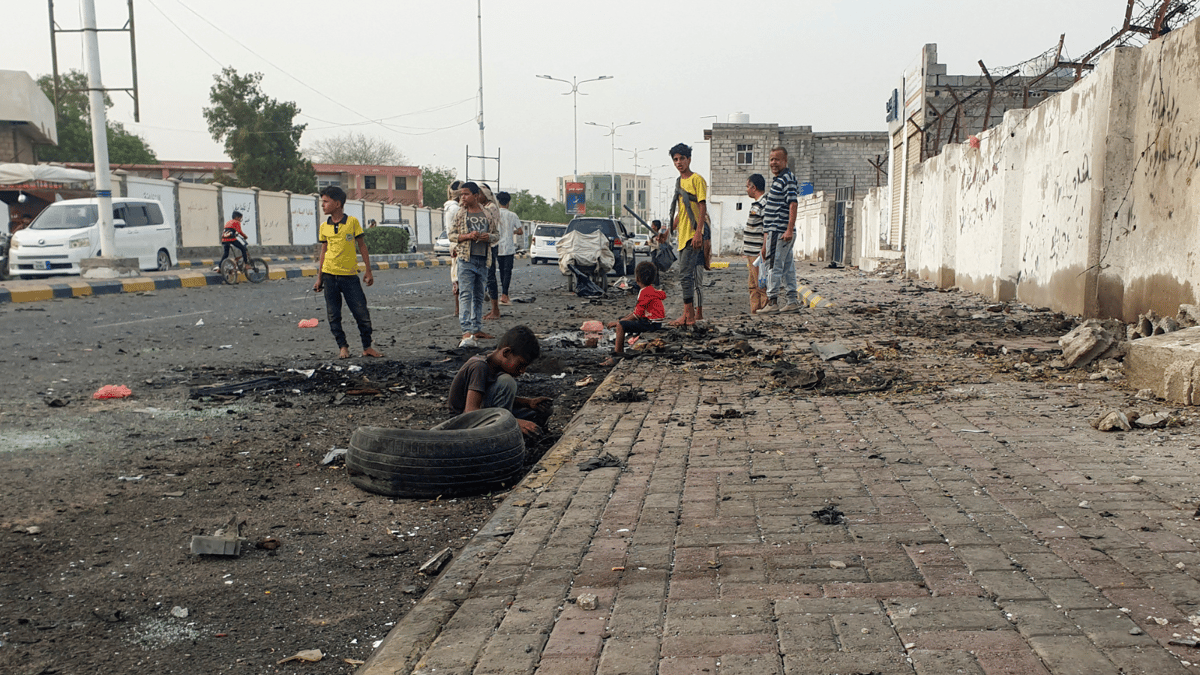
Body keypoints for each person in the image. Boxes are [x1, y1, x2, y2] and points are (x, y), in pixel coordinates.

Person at [313, 186, 384, 359]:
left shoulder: (352, 222)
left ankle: (367, 346)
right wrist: (319, 277)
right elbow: (324, 251)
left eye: (326, 201)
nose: (322, 205)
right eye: (322, 202)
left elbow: (362, 246)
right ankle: (342, 346)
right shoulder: (324, 227)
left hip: (350, 277)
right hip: (330, 276)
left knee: (361, 312)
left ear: (337, 203)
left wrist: (368, 270)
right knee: (333, 314)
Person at [447, 324, 552, 436]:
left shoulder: (494, 364)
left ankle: (509, 429)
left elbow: (489, 398)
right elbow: (470, 412)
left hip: (486, 415)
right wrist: (513, 423)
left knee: (539, 412)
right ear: (506, 352)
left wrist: (528, 403)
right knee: (507, 381)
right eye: (521, 364)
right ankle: (502, 434)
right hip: (464, 424)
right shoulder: (479, 366)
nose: (522, 371)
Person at [449, 182, 499, 347]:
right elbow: (452, 235)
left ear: (476, 196)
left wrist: (488, 237)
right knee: (466, 294)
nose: (463, 197)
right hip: (466, 259)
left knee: (478, 295)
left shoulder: (487, 214)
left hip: (483, 259)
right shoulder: (460, 214)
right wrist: (468, 236)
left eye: (466, 194)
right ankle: (466, 330)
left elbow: (496, 235)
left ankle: (477, 328)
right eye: (462, 194)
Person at [665, 143, 707, 327]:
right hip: (682, 235)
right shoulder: (679, 182)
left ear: (689, 159)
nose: (679, 162)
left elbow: (702, 207)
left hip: (693, 234)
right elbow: (681, 211)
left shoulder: (697, 179)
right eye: (675, 159)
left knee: (685, 275)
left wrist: (699, 232)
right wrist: (668, 230)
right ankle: (687, 314)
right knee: (685, 275)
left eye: (682, 158)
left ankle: (689, 316)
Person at [757, 147, 801, 314]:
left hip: (780, 231)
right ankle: (792, 300)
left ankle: (772, 301)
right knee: (787, 266)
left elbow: (793, 203)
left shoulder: (787, 179)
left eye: (777, 159)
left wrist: (789, 229)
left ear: (785, 161)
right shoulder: (779, 180)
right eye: (771, 160)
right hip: (779, 231)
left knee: (773, 265)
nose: (773, 163)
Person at [602, 261, 666, 366]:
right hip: (654, 322)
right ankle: (617, 353)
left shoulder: (644, 292)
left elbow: (636, 315)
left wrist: (618, 322)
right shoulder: (651, 290)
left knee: (620, 326)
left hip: (650, 324)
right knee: (622, 320)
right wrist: (622, 319)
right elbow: (637, 312)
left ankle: (616, 356)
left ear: (637, 279)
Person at [489, 191, 522, 306]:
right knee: (506, 272)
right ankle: (504, 294)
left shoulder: (494, 214)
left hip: (496, 246)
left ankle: (492, 293)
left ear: (497, 202)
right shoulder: (513, 215)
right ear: (508, 203)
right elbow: (520, 231)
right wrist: (511, 231)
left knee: (495, 271)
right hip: (508, 248)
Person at [478, 183, 504, 323]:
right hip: (484, 245)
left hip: (489, 245)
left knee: (490, 276)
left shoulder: (491, 208)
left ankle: (495, 309)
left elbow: (491, 229)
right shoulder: (485, 207)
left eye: (479, 194)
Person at [743, 174, 768, 313]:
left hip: (758, 253)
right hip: (751, 252)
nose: (746, 190)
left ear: (754, 187)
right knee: (753, 285)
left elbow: (767, 228)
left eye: (748, 186)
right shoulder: (756, 204)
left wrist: (764, 249)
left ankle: (764, 311)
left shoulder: (764, 203)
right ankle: (755, 312)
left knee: (761, 285)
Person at [443, 181, 462, 317]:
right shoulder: (455, 209)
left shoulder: (449, 207)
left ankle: (458, 309)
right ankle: (459, 309)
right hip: (459, 244)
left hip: (454, 245)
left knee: (456, 276)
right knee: (459, 276)